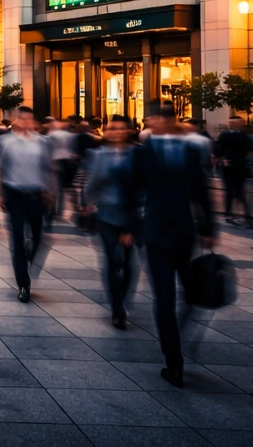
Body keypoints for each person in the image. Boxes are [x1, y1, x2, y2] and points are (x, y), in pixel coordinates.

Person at [131, 104, 214, 388]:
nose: (151, 123)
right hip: (154, 233)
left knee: (192, 294)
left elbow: (201, 191)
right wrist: (131, 227)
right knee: (165, 297)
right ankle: (174, 360)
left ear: (164, 120)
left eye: (152, 118)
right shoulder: (141, 153)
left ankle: (176, 340)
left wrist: (208, 228)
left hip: (183, 232)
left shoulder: (190, 151)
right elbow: (133, 190)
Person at [0, 106, 54, 302]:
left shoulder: (43, 142)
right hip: (14, 194)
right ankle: (23, 284)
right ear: (15, 120)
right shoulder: (4, 142)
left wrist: (51, 191)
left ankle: (29, 255)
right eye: (22, 119)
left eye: (29, 119)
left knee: (38, 237)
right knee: (17, 238)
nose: (26, 123)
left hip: (36, 194)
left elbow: (49, 168)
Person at [81, 114, 136, 328]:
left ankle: (122, 296)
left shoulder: (137, 154)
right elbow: (91, 182)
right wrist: (87, 203)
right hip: (106, 213)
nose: (116, 132)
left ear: (129, 131)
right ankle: (117, 308)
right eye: (112, 128)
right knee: (112, 259)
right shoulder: (97, 155)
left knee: (129, 263)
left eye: (121, 128)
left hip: (131, 215)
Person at [215, 115, 253, 227]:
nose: (230, 124)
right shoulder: (226, 135)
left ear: (240, 123)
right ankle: (233, 214)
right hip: (229, 165)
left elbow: (250, 149)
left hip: (239, 165)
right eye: (230, 123)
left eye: (233, 123)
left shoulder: (243, 135)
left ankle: (240, 214)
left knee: (238, 191)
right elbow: (218, 149)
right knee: (231, 190)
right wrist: (222, 159)